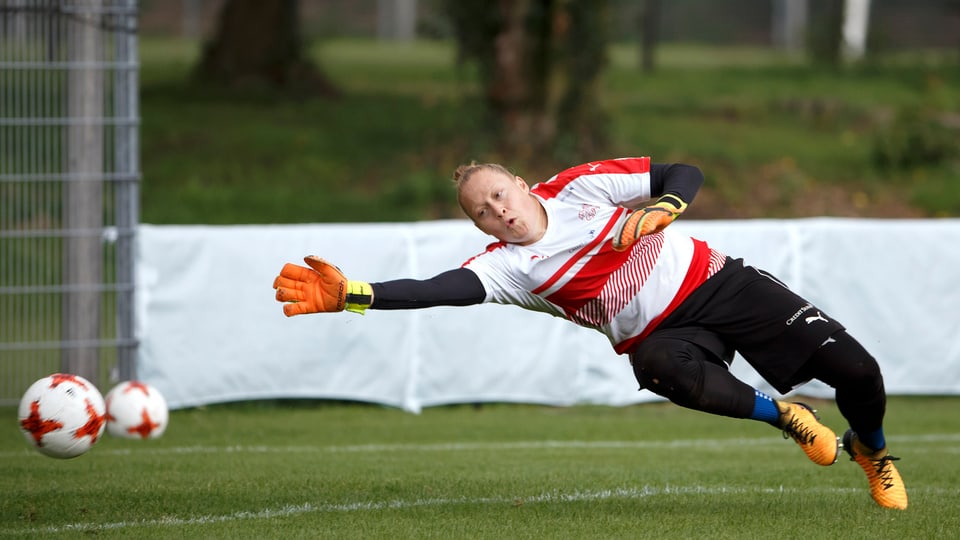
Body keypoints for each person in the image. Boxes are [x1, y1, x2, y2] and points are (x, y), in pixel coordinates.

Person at [272, 157, 907, 510]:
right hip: (664, 334)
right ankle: (787, 418)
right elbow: (436, 290)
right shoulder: (504, 266)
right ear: (479, 227)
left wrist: (664, 207)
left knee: (860, 373)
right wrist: (354, 294)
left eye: (499, 194)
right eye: (481, 211)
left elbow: (683, 170)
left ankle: (871, 453)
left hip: (721, 283)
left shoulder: (581, 186)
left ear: (521, 184)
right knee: (656, 367)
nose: (497, 210)